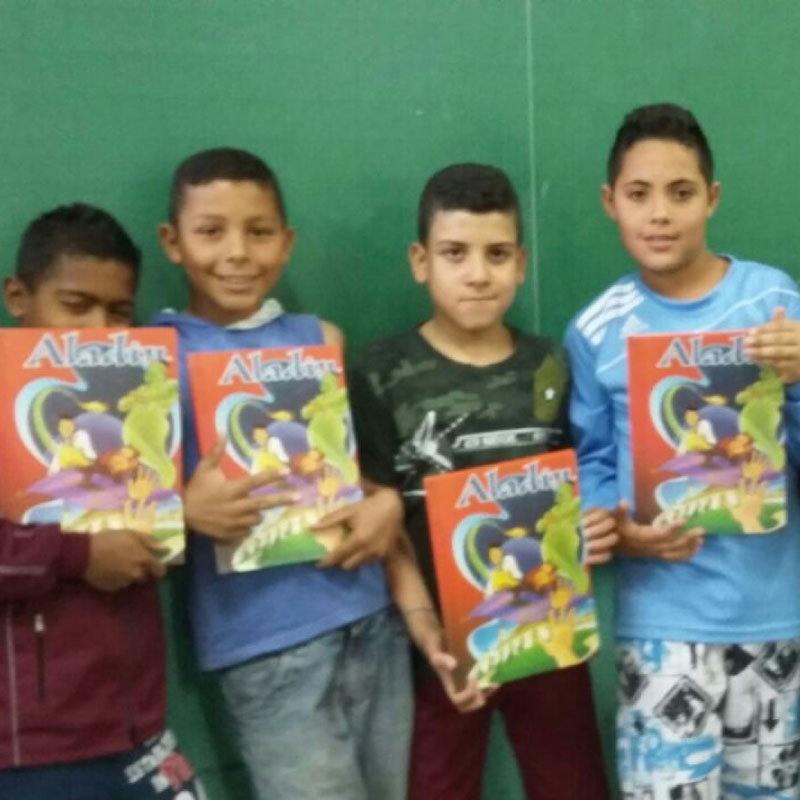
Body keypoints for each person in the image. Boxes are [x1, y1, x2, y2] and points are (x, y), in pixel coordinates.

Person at [348, 163, 615, 800]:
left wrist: (596, 522)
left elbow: (582, 483)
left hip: (548, 630)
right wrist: (426, 631)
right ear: (420, 261)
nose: (477, 273)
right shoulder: (380, 371)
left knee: (574, 785)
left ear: (521, 263)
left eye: (496, 254)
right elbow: (383, 519)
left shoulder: (549, 364)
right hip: (439, 646)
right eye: (454, 253)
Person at [153, 147, 412, 800]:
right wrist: (183, 512)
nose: (237, 252)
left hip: (371, 618)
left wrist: (387, 505)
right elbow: (109, 515)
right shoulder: (150, 362)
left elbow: (356, 472)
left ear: (287, 242)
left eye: (259, 231)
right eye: (211, 231)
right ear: (172, 242)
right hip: (265, 646)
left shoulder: (320, 338)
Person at [565, 103, 800, 798]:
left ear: (712, 198)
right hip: (661, 627)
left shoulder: (775, 302)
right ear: (610, 202)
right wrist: (619, 527)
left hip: (774, 617)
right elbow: (591, 460)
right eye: (639, 194)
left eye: (681, 192)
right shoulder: (595, 330)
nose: (660, 214)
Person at [0, 203, 205, 798]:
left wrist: (182, 514)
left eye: (118, 311)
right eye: (75, 305)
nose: (100, 331)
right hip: (32, 746)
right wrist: (79, 554)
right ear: (18, 297)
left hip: (138, 723)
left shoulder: (138, 404)